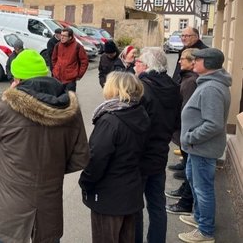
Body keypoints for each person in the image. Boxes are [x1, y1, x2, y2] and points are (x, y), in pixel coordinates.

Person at [0, 49, 89, 243]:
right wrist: (52, 170)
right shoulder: (70, 107)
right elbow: (81, 157)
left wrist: (5, 95)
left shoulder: (7, 107)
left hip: (11, 205)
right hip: (48, 204)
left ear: (17, 79)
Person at [80, 72, 151, 243]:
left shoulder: (110, 120)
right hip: (130, 191)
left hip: (109, 196)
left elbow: (96, 159)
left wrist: (85, 182)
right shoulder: (139, 112)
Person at [178, 48, 231, 243]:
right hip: (197, 148)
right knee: (195, 182)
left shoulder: (211, 88)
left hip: (202, 148)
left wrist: (191, 137)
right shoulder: (209, 83)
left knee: (203, 189)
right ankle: (200, 218)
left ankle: (205, 231)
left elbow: (214, 124)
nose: (194, 62)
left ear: (208, 65)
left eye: (198, 60)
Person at [133, 47, 182, 243]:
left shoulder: (142, 88)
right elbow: (177, 122)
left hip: (141, 155)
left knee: (135, 206)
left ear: (146, 66)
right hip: (160, 151)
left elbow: (135, 125)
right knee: (157, 204)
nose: (134, 64)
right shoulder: (173, 85)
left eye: (137, 62)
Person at [166, 48, 198, 216]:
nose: (179, 61)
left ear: (193, 62)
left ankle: (185, 203)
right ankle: (184, 194)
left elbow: (187, 110)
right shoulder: (188, 78)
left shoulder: (191, 81)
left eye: (183, 59)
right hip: (183, 130)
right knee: (188, 168)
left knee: (191, 170)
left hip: (187, 131)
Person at [51, 27, 89, 91]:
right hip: (57, 78)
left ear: (70, 37)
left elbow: (84, 61)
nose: (62, 37)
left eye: (64, 36)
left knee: (70, 99)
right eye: (61, 35)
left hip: (70, 80)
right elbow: (53, 59)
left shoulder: (78, 46)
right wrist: (56, 69)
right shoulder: (57, 45)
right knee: (57, 99)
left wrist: (79, 75)